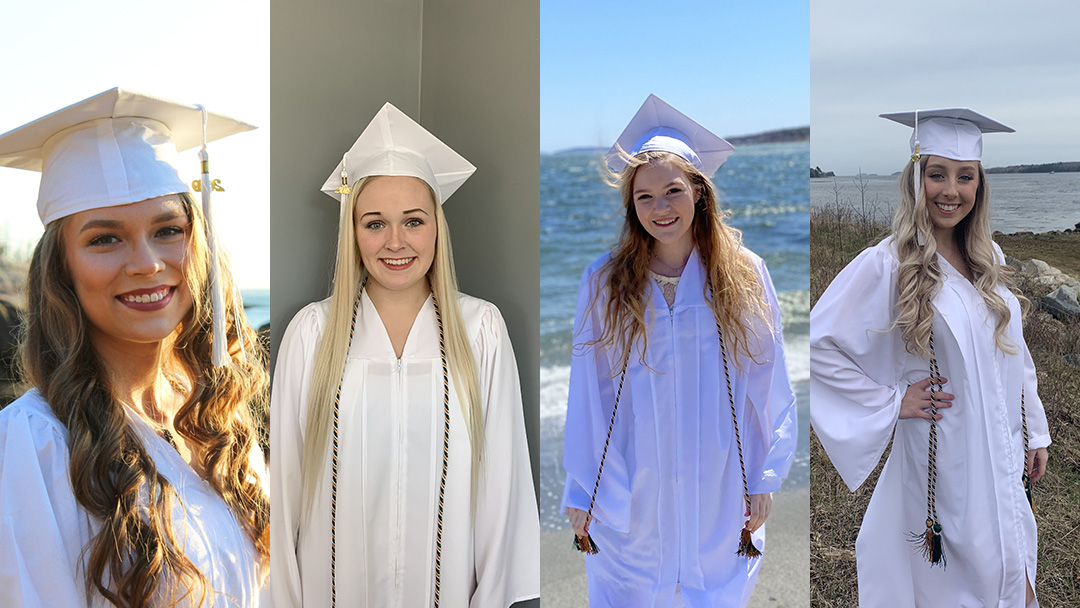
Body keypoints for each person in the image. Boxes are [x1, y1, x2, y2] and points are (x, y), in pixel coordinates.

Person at [0, 88, 269, 606]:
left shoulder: (221, 426)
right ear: (62, 269)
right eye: (105, 238)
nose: (147, 263)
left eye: (169, 229)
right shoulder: (33, 446)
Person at [269, 102, 539, 607]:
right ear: (353, 233)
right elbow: (283, 495)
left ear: (437, 227)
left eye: (413, 221)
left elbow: (503, 486)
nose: (395, 242)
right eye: (374, 223)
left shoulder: (479, 330)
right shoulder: (313, 333)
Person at [561, 94, 798, 608]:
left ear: (699, 192)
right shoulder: (604, 281)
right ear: (631, 205)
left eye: (672, 190)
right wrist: (581, 489)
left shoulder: (744, 274)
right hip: (635, 473)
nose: (660, 207)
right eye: (644, 197)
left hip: (717, 477)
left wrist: (765, 474)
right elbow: (589, 390)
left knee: (711, 589)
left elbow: (767, 380)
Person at [810, 108, 1050, 608]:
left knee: (1015, 569)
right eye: (936, 173)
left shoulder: (991, 258)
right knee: (957, 580)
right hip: (947, 454)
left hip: (1003, 449)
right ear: (916, 178)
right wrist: (891, 400)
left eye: (965, 177)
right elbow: (818, 347)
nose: (950, 190)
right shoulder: (889, 264)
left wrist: (1036, 432)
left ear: (979, 186)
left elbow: (1014, 352)